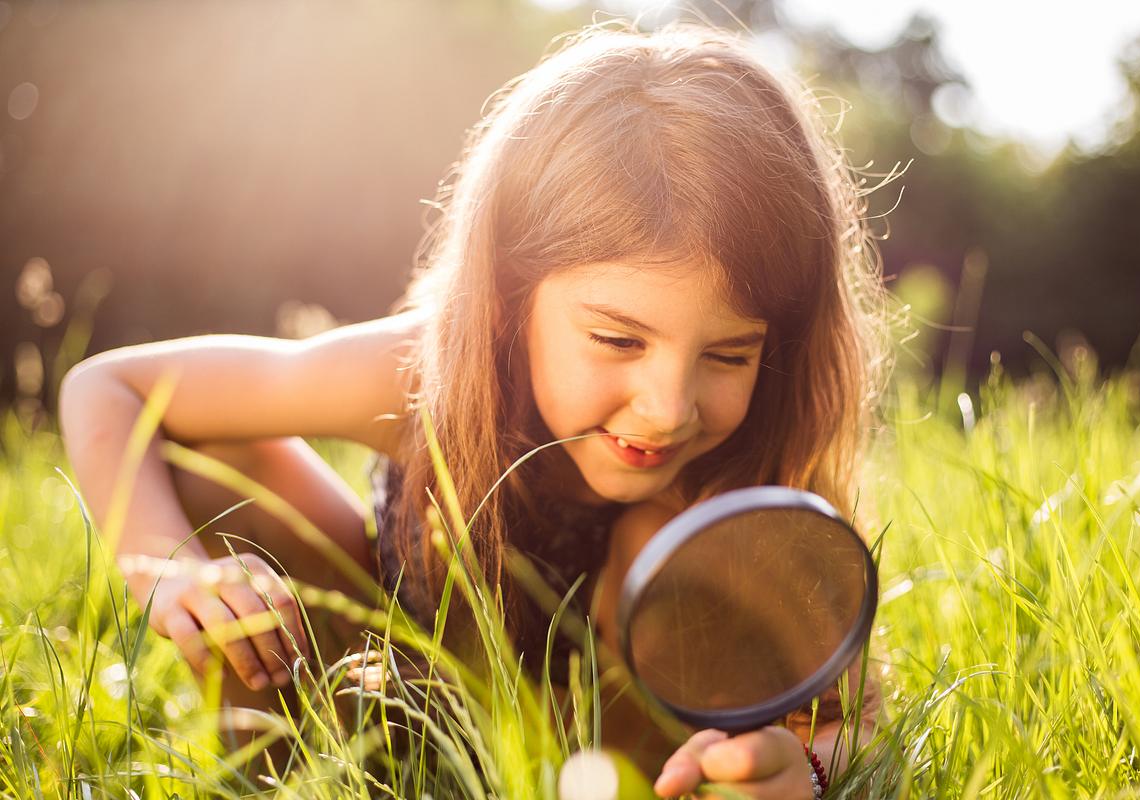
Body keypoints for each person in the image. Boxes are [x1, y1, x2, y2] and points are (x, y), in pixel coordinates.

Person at [59, 19, 888, 799]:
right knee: (230, 466)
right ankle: (279, 778)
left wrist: (801, 770)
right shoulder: (423, 371)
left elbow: (855, 723)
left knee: (666, 547)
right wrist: (168, 569)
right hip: (387, 701)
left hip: (602, 758)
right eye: (617, 340)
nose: (668, 409)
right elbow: (111, 388)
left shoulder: (749, 479)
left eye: (729, 354)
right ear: (509, 298)